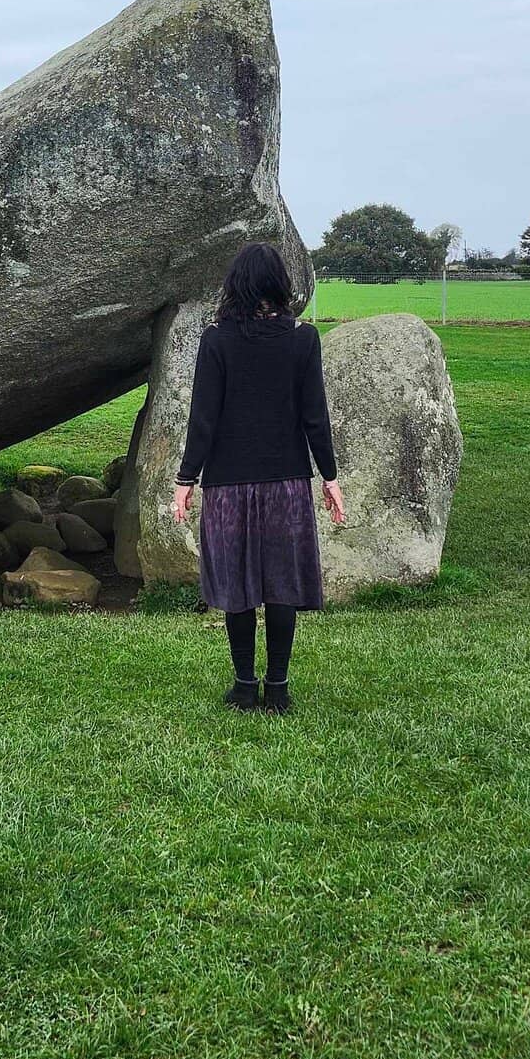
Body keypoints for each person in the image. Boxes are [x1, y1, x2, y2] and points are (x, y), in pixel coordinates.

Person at [172, 242, 345, 714]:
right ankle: (279, 689)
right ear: (279, 285)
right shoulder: (304, 339)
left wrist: (185, 481)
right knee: (281, 585)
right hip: (286, 484)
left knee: (238, 584)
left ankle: (245, 687)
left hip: (227, 485)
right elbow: (316, 418)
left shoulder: (216, 340)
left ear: (237, 286)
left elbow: (203, 418)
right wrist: (329, 478)